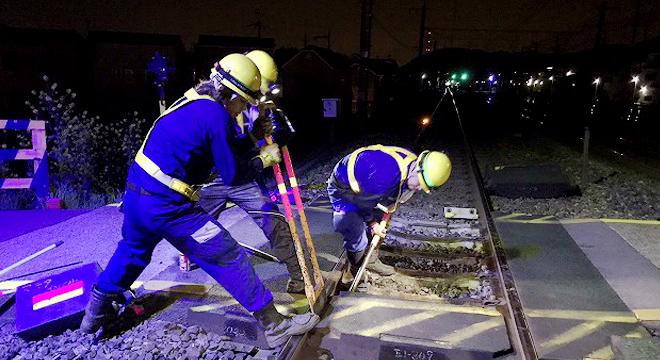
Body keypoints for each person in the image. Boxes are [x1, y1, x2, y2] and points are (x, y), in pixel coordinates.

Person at [80, 53, 318, 348]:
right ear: (231, 94)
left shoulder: (193, 101)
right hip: (170, 207)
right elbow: (233, 174)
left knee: (133, 252)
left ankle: (93, 318)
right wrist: (263, 160)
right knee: (226, 253)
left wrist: (251, 138)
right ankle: (274, 325)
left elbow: (220, 147)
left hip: (137, 195)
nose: (242, 108)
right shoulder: (217, 116)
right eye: (243, 102)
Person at [197, 50, 303, 294]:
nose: (257, 99)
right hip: (215, 175)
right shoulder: (216, 102)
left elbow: (272, 134)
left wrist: (262, 131)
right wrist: (260, 157)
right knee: (195, 223)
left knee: (273, 221)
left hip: (241, 173)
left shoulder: (259, 103)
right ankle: (191, 255)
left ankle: (298, 274)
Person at [327, 145, 451, 282]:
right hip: (345, 189)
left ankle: (371, 260)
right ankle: (354, 272)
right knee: (353, 228)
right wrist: (372, 223)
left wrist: (384, 215)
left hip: (370, 184)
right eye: (419, 184)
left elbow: (393, 193)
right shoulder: (382, 176)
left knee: (381, 221)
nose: (419, 189)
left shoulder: (411, 165)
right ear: (417, 170)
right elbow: (363, 203)